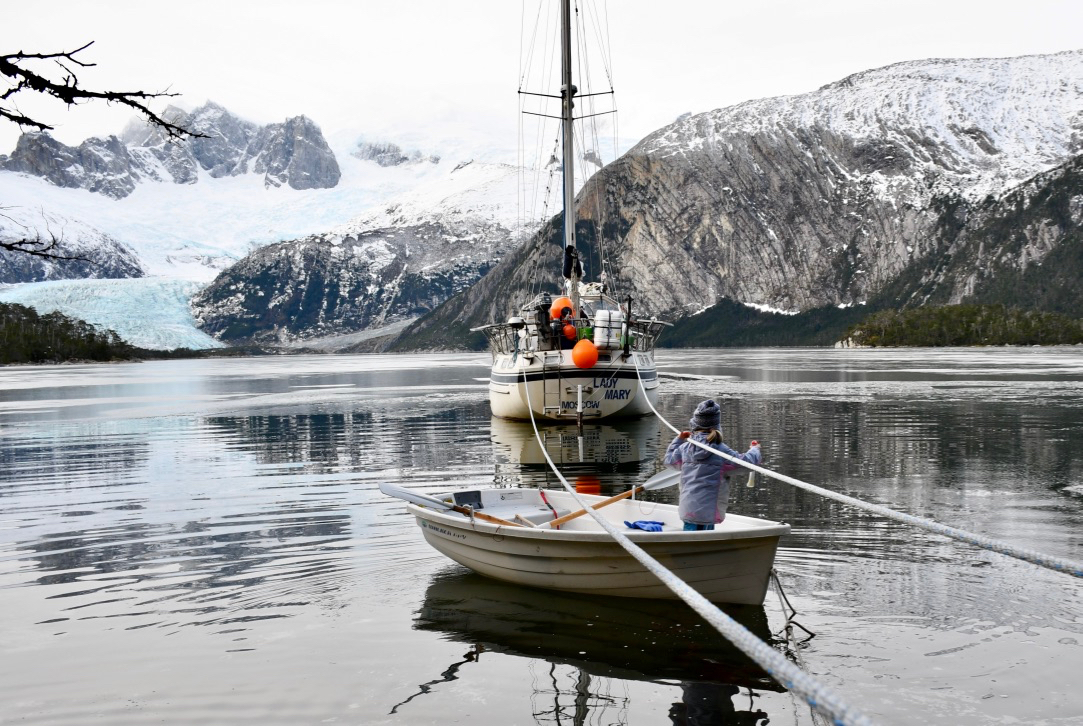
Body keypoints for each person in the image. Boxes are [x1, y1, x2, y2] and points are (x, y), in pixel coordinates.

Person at [664, 399, 761, 531]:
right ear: (716, 426)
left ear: (695, 425)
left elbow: (669, 461)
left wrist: (679, 439)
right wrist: (755, 450)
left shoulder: (685, 448)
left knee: (691, 539)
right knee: (704, 539)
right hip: (708, 513)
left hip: (688, 510)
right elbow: (746, 463)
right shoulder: (721, 451)